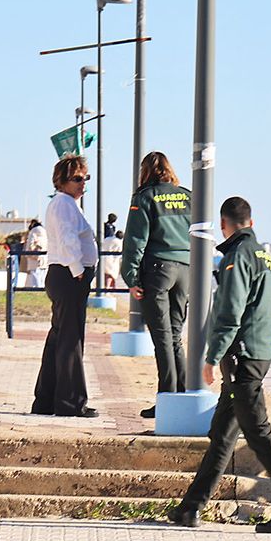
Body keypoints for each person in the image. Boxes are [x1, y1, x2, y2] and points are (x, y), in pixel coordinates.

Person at [170, 196, 271, 533]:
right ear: (251, 220)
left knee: (258, 434)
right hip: (259, 350)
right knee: (222, 434)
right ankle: (190, 508)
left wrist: (212, 356)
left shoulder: (237, 257)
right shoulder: (265, 256)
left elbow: (231, 311)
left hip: (242, 356)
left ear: (224, 224)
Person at [120, 151, 191, 418]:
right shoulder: (188, 196)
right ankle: (181, 394)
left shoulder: (145, 197)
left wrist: (131, 278)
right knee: (174, 336)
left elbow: (135, 240)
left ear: (145, 172)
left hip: (158, 270)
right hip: (186, 270)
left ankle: (167, 400)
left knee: (161, 338)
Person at [32, 155, 99, 418]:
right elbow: (67, 237)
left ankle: (47, 401)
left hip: (67, 275)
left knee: (59, 339)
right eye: (77, 179)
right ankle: (70, 403)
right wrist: (78, 270)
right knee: (71, 342)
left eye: (85, 178)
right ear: (62, 181)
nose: (83, 184)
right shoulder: (63, 205)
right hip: (69, 276)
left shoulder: (67, 204)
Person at [22, 218, 47, 288]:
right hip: (44, 258)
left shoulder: (33, 232)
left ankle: (33, 289)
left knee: (33, 277)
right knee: (42, 277)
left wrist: (27, 253)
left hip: (33, 259)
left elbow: (30, 245)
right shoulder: (45, 232)